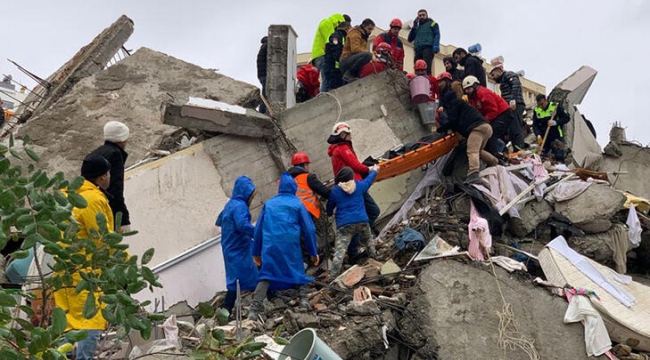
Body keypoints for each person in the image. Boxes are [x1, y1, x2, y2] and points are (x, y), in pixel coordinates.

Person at [53, 154, 113, 360]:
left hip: (63, 268)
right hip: (86, 269)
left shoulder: (66, 194)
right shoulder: (93, 199)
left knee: (68, 320)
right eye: (108, 173)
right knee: (91, 319)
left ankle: (61, 356)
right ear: (102, 177)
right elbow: (100, 237)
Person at [248, 173, 319, 320]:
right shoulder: (298, 204)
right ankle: (304, 300)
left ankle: (254, 311)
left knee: (267, 274)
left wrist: (256, 252)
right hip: (290, 244)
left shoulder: (269, 204)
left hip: (270, 246)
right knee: (297, 269)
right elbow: (309, 229)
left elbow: (259, 229)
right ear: (294, 188)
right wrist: (313, 251)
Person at [327, 122, 381, 259]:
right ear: (342, 135)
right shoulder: (343, 148)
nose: (351, 136)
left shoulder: (336, 149)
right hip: (354, 186)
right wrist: (371, 170)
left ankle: (354, 250)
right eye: (349, 134)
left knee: (360, 218)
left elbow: (330, 207)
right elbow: (355, 165)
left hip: (348, 187)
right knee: (372, 211)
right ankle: (360, 242)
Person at [326, 166, 379, 279]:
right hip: (362, 222)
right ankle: (375, 260)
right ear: (351, 177)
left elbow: (329, 208)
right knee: (369, 241)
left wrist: (330, 213)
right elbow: (368, 181)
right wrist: (375, 170)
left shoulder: (335, 191)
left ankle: (333, 276)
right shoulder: (358, 186)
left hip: (345, 226)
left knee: (339, 252)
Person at [215, 176, 258, 315]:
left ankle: (226, 310)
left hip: (230, 245)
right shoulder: (240, 206)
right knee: (254, 269)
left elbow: (220, 220)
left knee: (235, 278)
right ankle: (269, 296)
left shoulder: (231, 204)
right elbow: (242, 225)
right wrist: (258, 233)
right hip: (239, 246)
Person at [437, 91, 498, 184]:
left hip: (477, 128)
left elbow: (453, 121)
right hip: (487, 128)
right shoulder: (463, 104)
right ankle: (494, 162)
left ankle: (473, 174)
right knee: (478, 151)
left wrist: (441, 129)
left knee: (471, 151)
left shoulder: (454, 104)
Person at [462, 76, 527, 152]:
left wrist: (484, 121)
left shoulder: (483, 93)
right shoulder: (473, 98)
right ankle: (501, 152)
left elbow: (493, 110)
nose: (467, 91)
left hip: (504, 114)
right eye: (465, 89)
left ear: (475, 86)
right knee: (490, 135)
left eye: (468, 89)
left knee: (491, 135)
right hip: (496, 116)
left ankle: (499, 155)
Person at [89, 121, 132, 232]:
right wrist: (123, 220)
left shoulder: (96, 153)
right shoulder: (115, 155)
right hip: (105, 209)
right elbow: (115, 189)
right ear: (122, 139)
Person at [311, 14, 351, 92]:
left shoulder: (332, 26)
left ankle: (324, 96)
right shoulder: (328, 24)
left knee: (327, 78)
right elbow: (330, 42)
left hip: (320, 55)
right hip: (322, 54)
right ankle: (324, 98)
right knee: (327, 79)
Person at [287, 152, 331, 218]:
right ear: (305, 165)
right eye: (307, 165)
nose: (308, 167)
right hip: (309, 212)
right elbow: (325, 192)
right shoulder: (308, 177)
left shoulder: (289, 180)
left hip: (295, 215)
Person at [533, 94, 571, 161]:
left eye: (542, 104)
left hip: (556, 136)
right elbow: (535, 125)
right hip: (544, 137)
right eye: (539, 105)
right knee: (541, 157)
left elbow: (566, 118)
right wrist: (538, 135)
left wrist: (555, 122)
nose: (541, 107)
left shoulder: (555, 106)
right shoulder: (536, 110)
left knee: (559, 157)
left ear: (545, 100)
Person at [339, 18, 375, 83]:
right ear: (363, 26)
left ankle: (352, 76)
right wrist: (369, 53)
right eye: (369, 29)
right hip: (345, 61)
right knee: (368, 55)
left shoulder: (363, 36)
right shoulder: (355, 33)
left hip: (351, 60)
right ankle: (349, 74)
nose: (370, 32)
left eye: (371, 30)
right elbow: (355, 49)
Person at [407, 9, 440, 75]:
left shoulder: (432, 23)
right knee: (417, 68)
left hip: (428, 48)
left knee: (427, 67)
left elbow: (437, 34)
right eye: (420, 15)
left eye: (423, 15)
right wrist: (414, 27)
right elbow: (410, 39)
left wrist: (436, 45)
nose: (421, 17)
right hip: (418, 50)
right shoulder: (417, 27)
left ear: (427, 15)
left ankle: (428, 81)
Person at [323, 21, 351, 91]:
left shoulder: (340, 36)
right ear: (346, 28)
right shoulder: (337, 36)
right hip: (333, 69)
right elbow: (336, 49)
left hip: (334, 68)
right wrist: (342, 60)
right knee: (332, 89)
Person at [256, 36, 268, 113]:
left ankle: (263, 110)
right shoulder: (266, 47)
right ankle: (262, 112)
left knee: (265, 94)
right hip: (264, 75)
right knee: (265, 95)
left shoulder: (262, 48)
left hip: (261, 75)